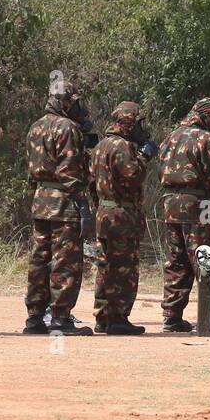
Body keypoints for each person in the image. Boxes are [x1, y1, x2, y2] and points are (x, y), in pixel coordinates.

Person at [157, 98, 210, 332]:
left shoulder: (169, 138)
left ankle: (172, 317)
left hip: (170, 204)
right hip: (200, 206)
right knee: (208, 257)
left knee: (176, 260)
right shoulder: (206, 139)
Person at [23, 75, 93, 336]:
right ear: (65, 101)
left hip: (40, 201)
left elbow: (31, 172)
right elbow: (71, 173)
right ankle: (61, 319)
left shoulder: (35, 127)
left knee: (39, 260)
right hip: (64, 203)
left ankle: (34, 318)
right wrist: (83, 206)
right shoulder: (67, 128)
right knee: (65, 262)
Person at [90, 101, 156, 336]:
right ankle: (117, 318)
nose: (143, 129)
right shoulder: (122, 146)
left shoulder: (100, 146)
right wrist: (145, 156)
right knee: (123, 267)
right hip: (121, 215)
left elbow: (91, 184)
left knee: (105, 265)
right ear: (128, 124)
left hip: (104, 212)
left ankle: (103, 316)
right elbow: (133, 176)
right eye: (139, 123)